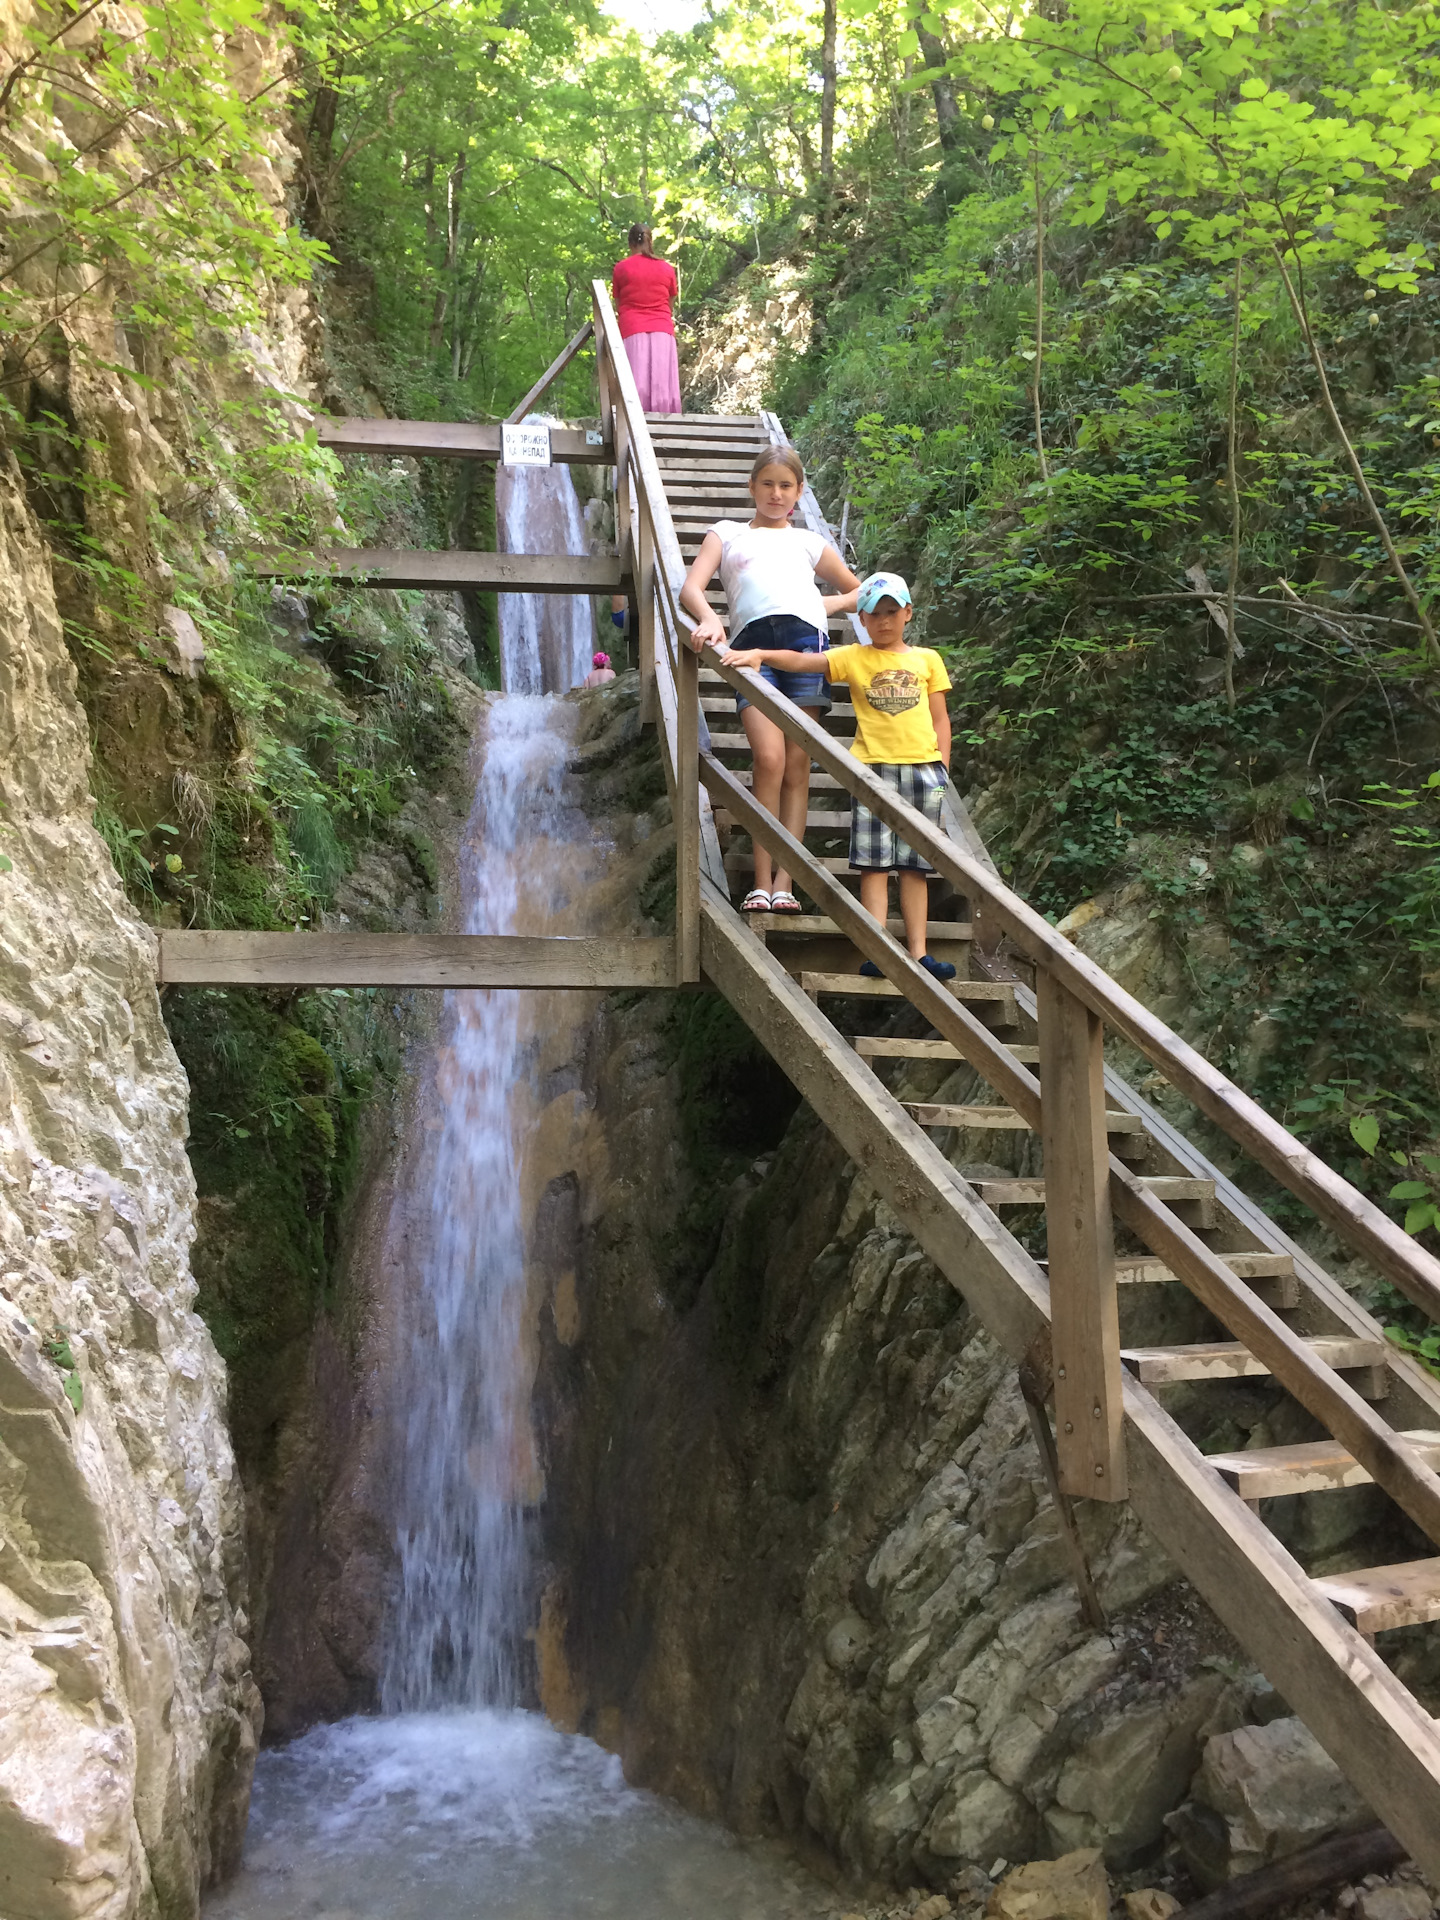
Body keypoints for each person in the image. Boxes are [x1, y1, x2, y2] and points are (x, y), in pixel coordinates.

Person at [726, 571, 956, 977]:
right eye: (873, 613)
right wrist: (762, 655)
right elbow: (804, 661)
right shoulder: (854, 656)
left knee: (916, 865)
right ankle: (878, 948)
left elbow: (941, 719)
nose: (883, 620)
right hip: (871, 770)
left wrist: (943, 769)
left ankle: (919, 953)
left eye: (891, 612)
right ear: (861, 620)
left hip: (923, 769)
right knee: (874, 864)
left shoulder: (927, 660)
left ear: (907, 613)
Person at [679, 447, 860, 914]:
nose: (776, 493)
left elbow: (860, 592)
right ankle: (760, 881)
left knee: (798, 768)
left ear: (799, 493)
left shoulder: (809, 542)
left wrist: (825, 607)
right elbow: (691, 587)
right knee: (768, 758)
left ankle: (785, 883)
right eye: (768, 484)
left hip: (806, 648)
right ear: (752, 487)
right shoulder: (727, 534)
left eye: (786, 486)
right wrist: (710, 620)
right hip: (750, 651)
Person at [612, 224, 681, 415]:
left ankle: (632, 426)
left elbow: (619, 304)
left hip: (632, 328)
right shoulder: (667, 269)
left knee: (635, 382)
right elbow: (670, 302)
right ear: (650, 241)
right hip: (662, 330)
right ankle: (668, 426)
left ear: (630, 243)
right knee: (662, 384)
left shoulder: (621, 268)